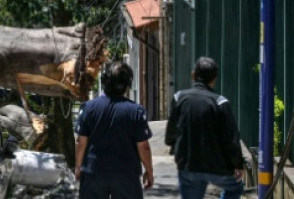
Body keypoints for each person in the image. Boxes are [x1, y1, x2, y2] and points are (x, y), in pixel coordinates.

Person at [164, 57, 244, 199]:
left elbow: (171, 134)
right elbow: (231, 139)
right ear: (214, 79)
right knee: (235, 187)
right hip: (217, 166)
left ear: (193, 75)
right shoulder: (220, 102)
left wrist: (175, 147)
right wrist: (237, 164)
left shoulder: (179, 98)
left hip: (188, 165)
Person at [75, 61, 154, 198]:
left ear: (104, 81)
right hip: (127, 175)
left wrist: (78, 167)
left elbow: (81, 143)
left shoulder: (88, 108)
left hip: (94, 172)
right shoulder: (136, 111)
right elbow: (144, 147)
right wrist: (149, 171)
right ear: (127, 84)